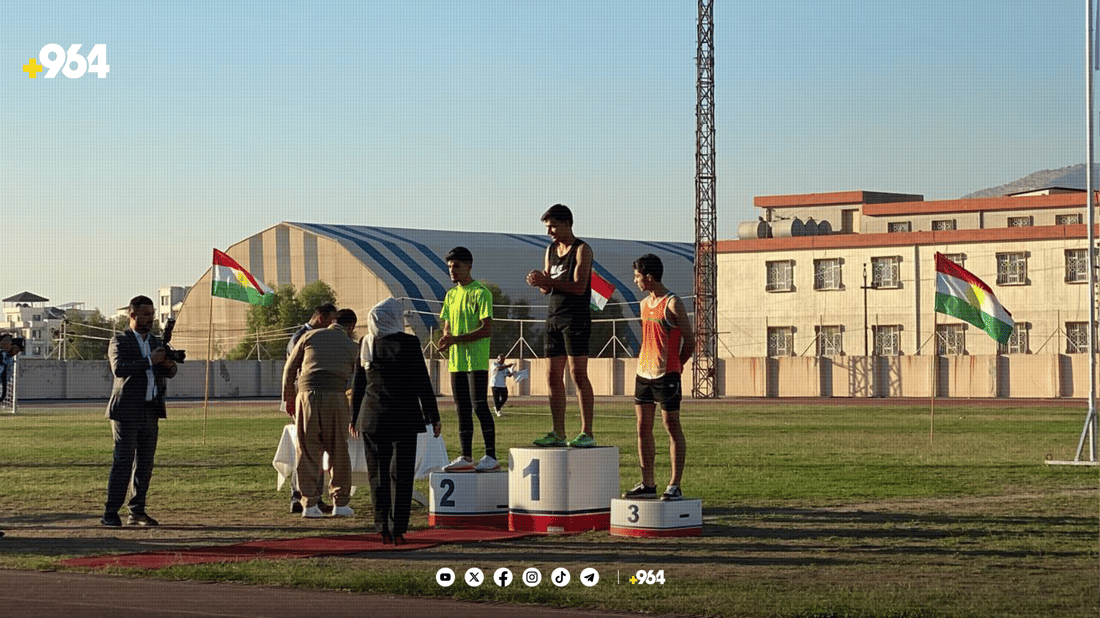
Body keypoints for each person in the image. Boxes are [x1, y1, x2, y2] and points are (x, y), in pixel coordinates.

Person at [351, 298, 441, 545]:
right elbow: (422, 382)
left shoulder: (366, 343)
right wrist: (433, 416)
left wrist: (354, 417)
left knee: (376, 475)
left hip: (371, 418)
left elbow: (358, 384)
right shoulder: (409, 343)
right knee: (401, 475)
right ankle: (398, 528)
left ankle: (381, 528)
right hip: (404, 416)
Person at [622, 254, 695, 502]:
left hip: (667, 375)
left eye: (637, 277)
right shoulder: (643, 305)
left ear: (649, 277)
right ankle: (648, 483)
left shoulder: (673, 303)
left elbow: (690, 341)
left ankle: (674, 485)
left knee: (671, 427)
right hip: (643, 374)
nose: (635, 281)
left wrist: (676, 366)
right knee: (642, 429)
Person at [102, 296, 179, 527]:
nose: (150, 318)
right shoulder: (119, 340)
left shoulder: (157, 341)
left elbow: (170, 371)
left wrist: (167, 365)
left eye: (152, 314)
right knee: (123, 461)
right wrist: (149, 360)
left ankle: (137, 510)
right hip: (126, 411)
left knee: (145, 464)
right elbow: (119, 369)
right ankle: (110, 512)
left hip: (150, 409)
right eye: (145, 314)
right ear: (132, 315)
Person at [525, 204, 597, 448]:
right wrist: (538, 282)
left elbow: (579, 286)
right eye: (547, 227)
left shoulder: (582, 249)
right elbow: (547, 288)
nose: (550, 232)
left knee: (578, 375)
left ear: (567, 224)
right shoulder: (550, 250)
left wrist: (548, 280)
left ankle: (587, 432)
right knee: (552, 376)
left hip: (575, 319)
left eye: (553, 226)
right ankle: (558, 431)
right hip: (554, 318)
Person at [283, 308, 360, 518]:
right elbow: (360, 380)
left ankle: (309, 505)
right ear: (351, 326)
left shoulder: (309, 336)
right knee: (338, 451)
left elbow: (289, 369)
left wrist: (289, 397)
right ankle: (341, 503)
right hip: (336, 397)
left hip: (306, 397)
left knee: (307, 451)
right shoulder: (353, 346)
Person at [437, 246, 498, 472]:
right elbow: (447, 327)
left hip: (477, 360)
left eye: (456, 266)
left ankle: (491, 456)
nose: (452, 271)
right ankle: (466, 456)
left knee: (479, 405)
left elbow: (486, 329)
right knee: (461, 408)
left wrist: (456, 339)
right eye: (450, 267)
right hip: (456, 361)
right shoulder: (451, 295)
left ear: (468, 266)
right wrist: (445, 340)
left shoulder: (481, 292)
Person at [283, 302, 337, 514]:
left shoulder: (317, 336)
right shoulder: (301, 337)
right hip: (304, 399)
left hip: (315, 399)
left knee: (316, 448)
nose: (334, 324)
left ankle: (314, 495)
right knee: (305, 449)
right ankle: (299, 495)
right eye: (332, 319)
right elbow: (295, 370)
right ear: (321, 318)